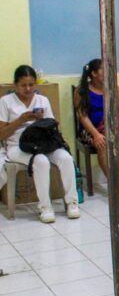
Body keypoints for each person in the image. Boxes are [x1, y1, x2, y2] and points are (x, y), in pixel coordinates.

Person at [0, 65, 79, 223]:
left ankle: (72, 202)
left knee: (66, 158)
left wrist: (42, 121)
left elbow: (53, 126)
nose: (28, 89)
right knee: (40, 161)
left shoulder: (42, 100)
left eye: (31, 85)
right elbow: (2, 134)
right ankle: (45, 207)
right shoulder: (5, 102)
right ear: (16, 84)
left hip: (43, 143)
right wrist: (22, 119)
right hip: (17, 146)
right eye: (23, 85)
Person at [74, 59, 119, 192]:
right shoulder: (81, 91)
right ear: (94, 73)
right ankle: (117, 183)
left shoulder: (115, 88)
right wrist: (96, 134)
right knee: (102, 141)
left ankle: (116, 180)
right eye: (103, 69)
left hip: (113, 128)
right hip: (91, 130)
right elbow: (82, 117)